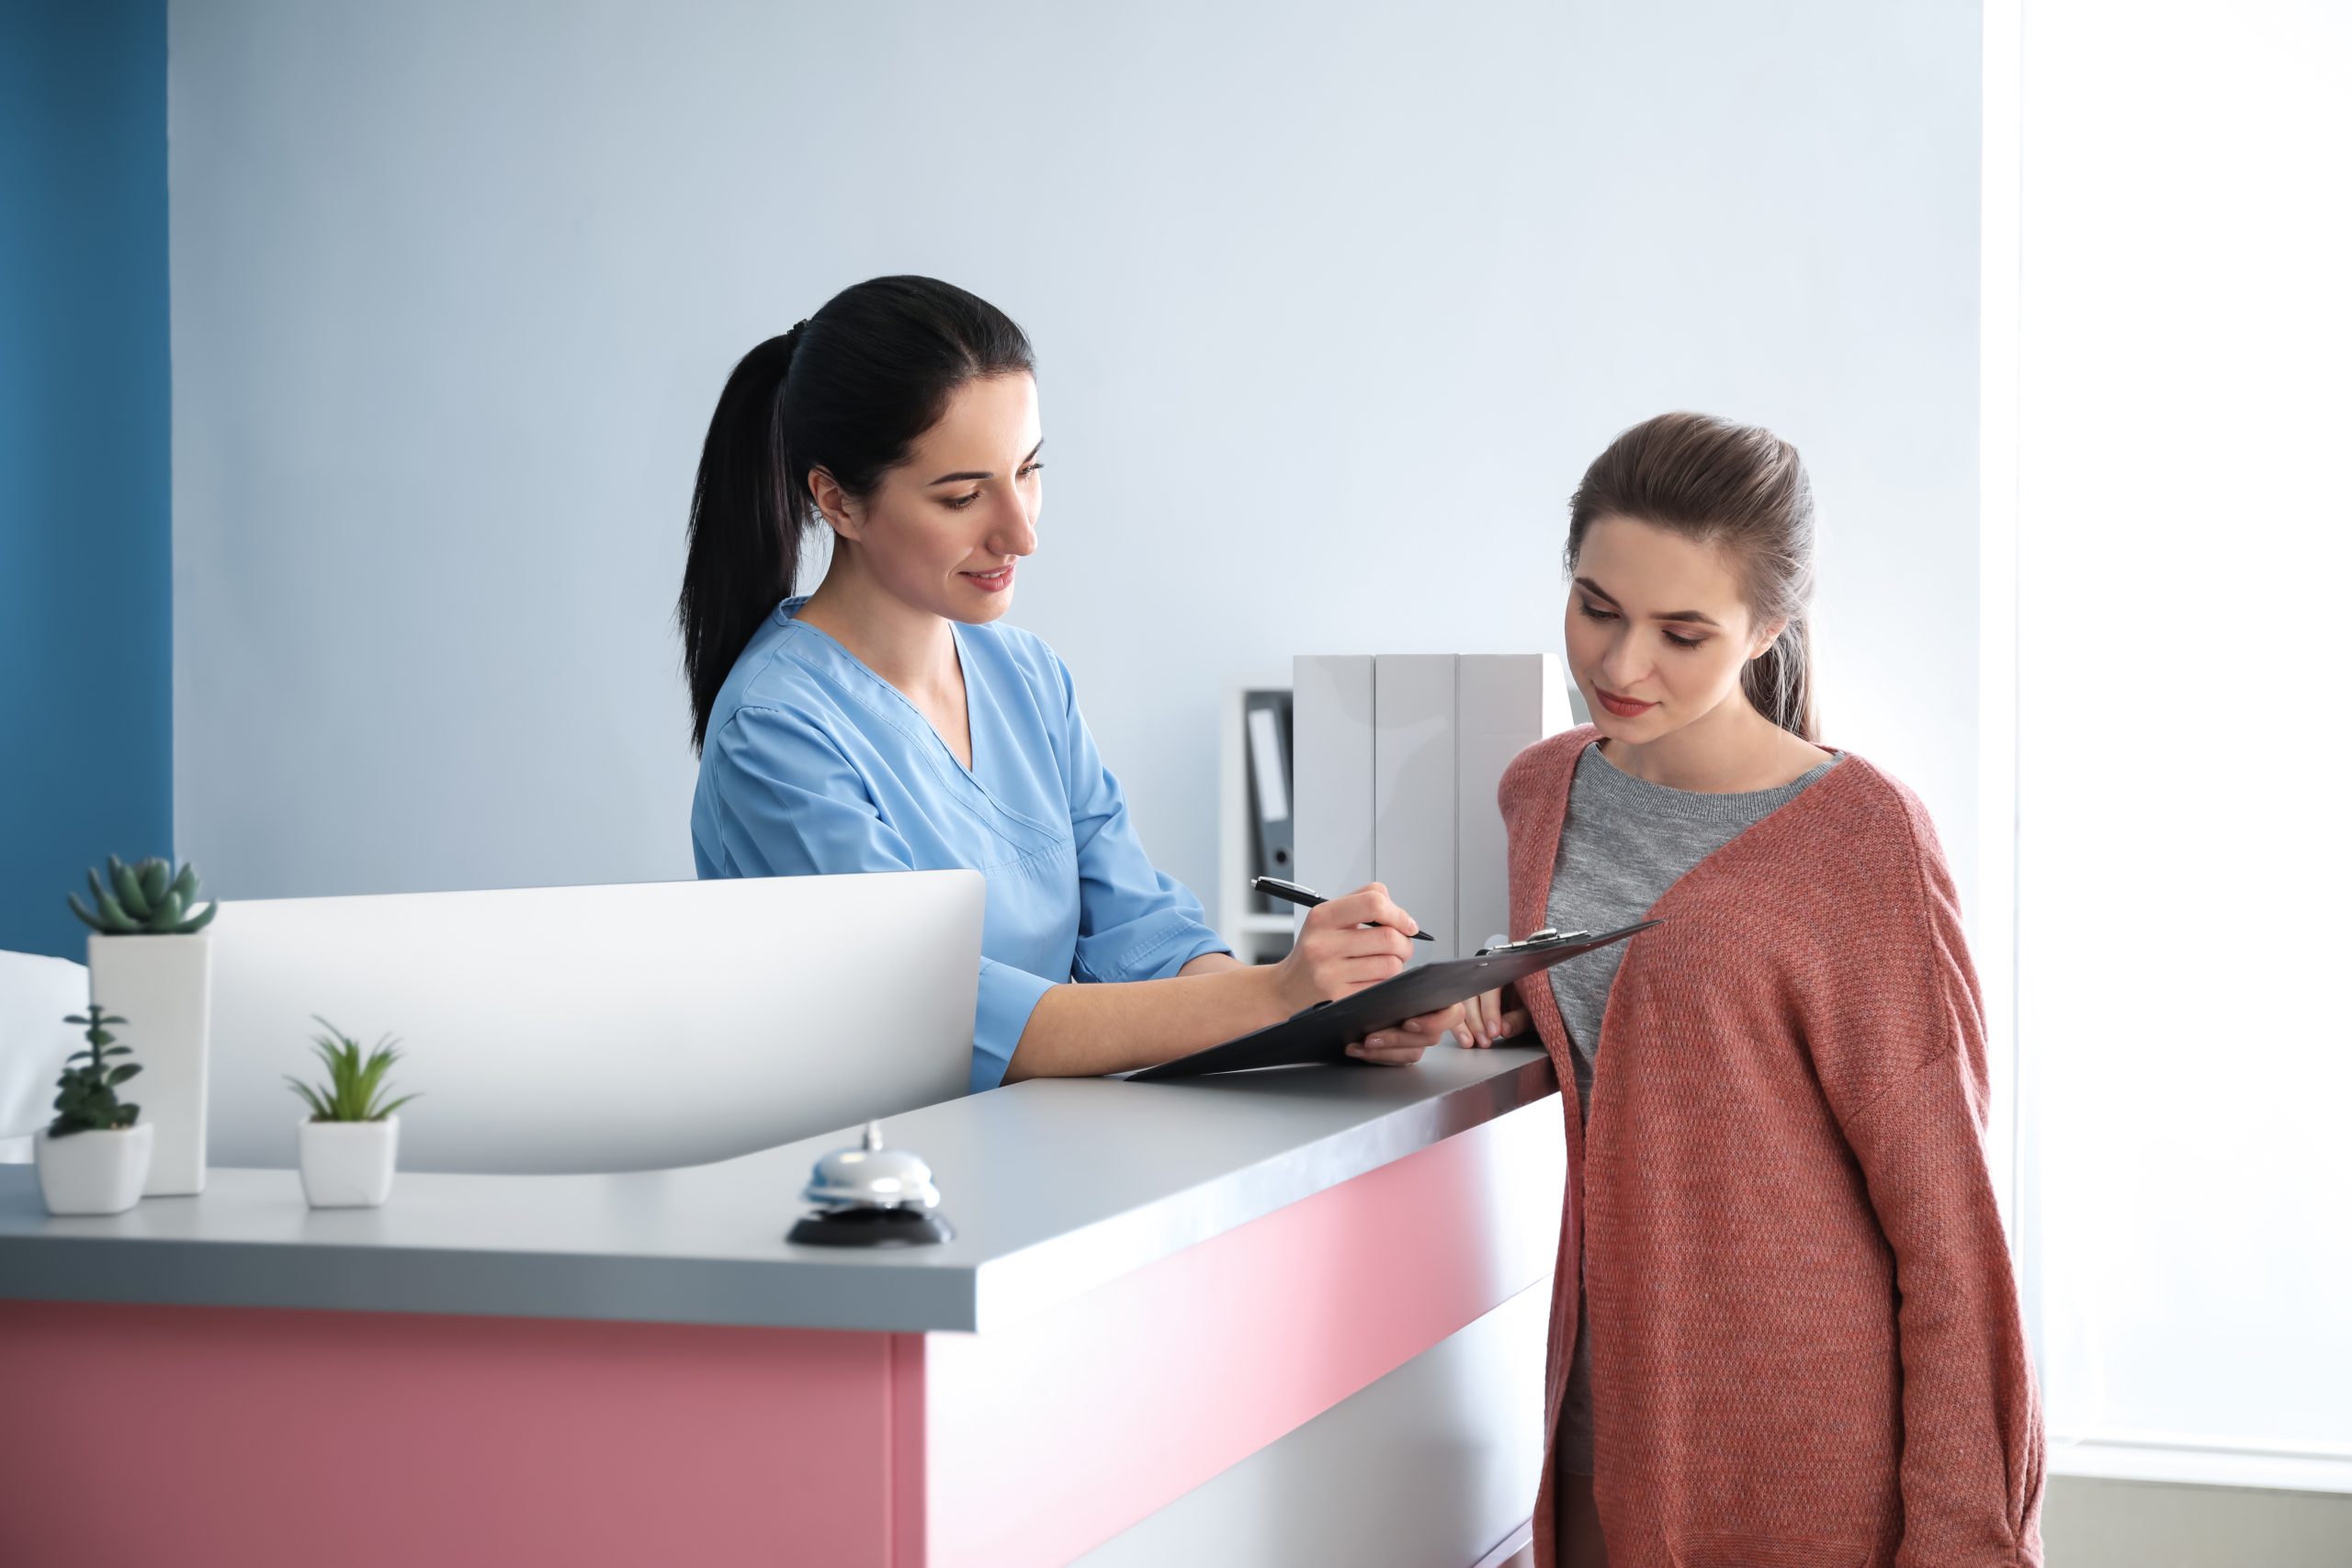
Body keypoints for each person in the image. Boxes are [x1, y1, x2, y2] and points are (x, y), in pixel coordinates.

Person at [1446, 412, 2043, 1566]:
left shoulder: (1864, 840)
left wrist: (1966, 1536)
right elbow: (1672, 1040)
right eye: (1596, 608)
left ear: (1768, 626)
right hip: (1589, 1428)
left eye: (1681, 632)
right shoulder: (1537, 792)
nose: (1620, 667)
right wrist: (1506, 994)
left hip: (1799, 1455)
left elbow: (1950, 1230)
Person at [680, 276, 1451, 1091]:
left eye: (1029, 470)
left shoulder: (1027, 678)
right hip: (874, 1192)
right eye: (963, 494)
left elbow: (1143, 936)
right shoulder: (776, 731)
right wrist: (1276, 993)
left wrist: (1330, 1012)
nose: (1021, 531)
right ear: (836, 500)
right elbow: (951, 1019)